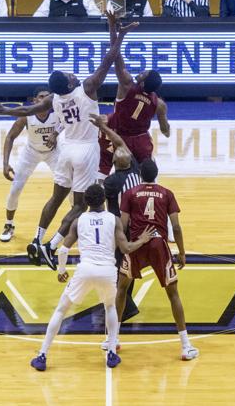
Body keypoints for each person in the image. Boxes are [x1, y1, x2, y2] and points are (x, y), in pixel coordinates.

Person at [0, 12, 136, 271]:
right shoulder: (87, 87)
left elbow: (24, 112)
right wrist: (118, 32)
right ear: (69, 83)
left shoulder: (53, 99)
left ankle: (37, 239)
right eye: (69, 74)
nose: (72, 74)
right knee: (79, 205)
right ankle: (52, 245)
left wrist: (4, 111)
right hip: (84, 150)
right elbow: (110, 59)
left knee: (56, 198)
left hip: (65, 149)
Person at [29, 184, 156, 372]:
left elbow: (63, 249)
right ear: (103, 200)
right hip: (107, 270)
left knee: (61, 310)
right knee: (111, 306)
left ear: (86, 202)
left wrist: (61, 270)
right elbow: (126, 249)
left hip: (85, 270)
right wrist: (142, 240)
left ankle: (42, 355)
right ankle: (112, 352)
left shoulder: (78, 220)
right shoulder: (114, 220)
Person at [117, 159, 198, 360]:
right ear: (156, 174)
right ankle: (185, 345)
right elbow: (176, 227)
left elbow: (123, 224)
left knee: (121, 289)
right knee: (173, 294)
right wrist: (182, 251)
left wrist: (126, 246)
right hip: (158, 245)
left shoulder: (130, 193)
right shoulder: (167, 193)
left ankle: (112, 339)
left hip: (137, 243)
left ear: (140, 176)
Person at [93, 114, 143, 323]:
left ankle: (124, 305)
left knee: (116, 266)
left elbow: (98, 200)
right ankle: (125, 302)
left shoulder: (112, 182)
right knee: (127, 266)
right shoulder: (136, 169)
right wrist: (105, 128)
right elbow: (120, 142)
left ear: (114, 162)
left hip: (121, 228)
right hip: (139, 224)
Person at [0, 88, 60, 242]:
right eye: (41, 97)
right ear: (34, 101)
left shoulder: (58, 113)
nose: (45, 99)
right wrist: (5, 164)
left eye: (48, 97)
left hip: (53, 153)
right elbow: (10, 137)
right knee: (15, 190)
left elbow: (69, 125)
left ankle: (77, 224)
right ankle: (8, 225)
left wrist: (56, 133)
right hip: (31, 153)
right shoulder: (27, 116)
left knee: (71, 188)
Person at [97, 51, 169, 178]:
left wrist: (116, 36)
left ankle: (97, 192)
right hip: (140, 139)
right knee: (148, 171)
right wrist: (166, 131)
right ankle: (150, 192)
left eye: (143, 74)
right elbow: (165, 130)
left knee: (104, 167)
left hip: (116, 133)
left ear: (142, 83)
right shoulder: (159, 104)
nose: (141, 72)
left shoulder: (126, 86)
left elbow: (118, 61)